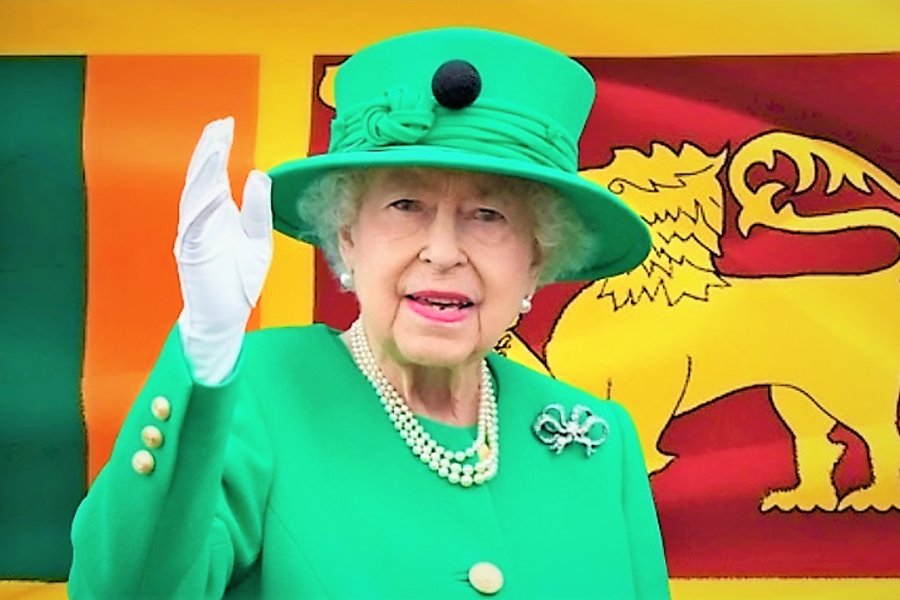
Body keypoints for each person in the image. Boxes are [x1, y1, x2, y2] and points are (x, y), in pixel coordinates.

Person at [68, 27, 669, 599]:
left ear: (537, 259)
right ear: (347, 236)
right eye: (406, 205)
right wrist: (203, 349)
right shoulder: (257, 393)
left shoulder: (599, 439)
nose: (442, 251)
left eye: (488, 215)